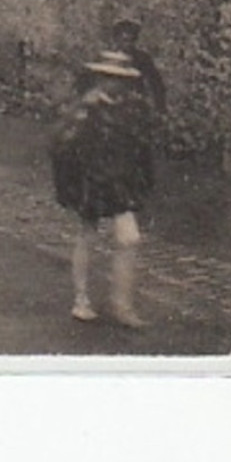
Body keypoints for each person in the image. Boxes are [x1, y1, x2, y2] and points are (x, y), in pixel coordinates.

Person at [49, 50, 160, 327]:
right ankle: (82, 299)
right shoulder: (85, 108)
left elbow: (141, 147)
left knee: (129, 238)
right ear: (99, 78)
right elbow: (61, 145)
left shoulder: (132, 108)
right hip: (91, 181)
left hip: (120, 183)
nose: (116, 84)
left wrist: (142, 179)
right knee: (88, 234)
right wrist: (73, 182)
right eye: (110, 78)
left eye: (121, 79)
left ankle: (121, 305)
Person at [110, 19, 167, 113]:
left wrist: (160, 108)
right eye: (124, 40)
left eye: (131, 40)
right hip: (111, 105)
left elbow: (156, 84)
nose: (128, 44)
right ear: (117, 39)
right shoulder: (107, 57)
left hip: (136, 104)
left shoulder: (142, 58)